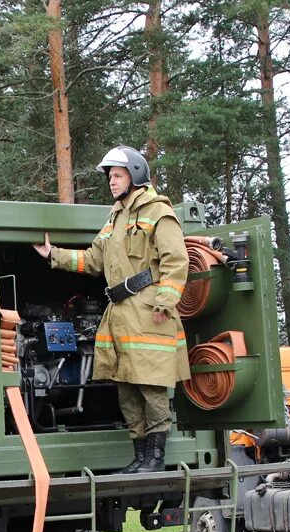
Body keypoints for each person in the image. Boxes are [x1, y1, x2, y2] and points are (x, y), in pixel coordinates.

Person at [33, 146, 189, 473]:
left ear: (134, 175)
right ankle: (141, 457)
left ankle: (155, 460)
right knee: (127, 388)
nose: (112, 182)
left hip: (149, 311)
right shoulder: (115, 217)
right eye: (110, 177)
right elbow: (93, 260)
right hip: (119, 311)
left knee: (151, 385)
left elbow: (177, 261)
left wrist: (164, 302)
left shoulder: (158, 212)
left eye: (117, 176)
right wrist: (53, 255)